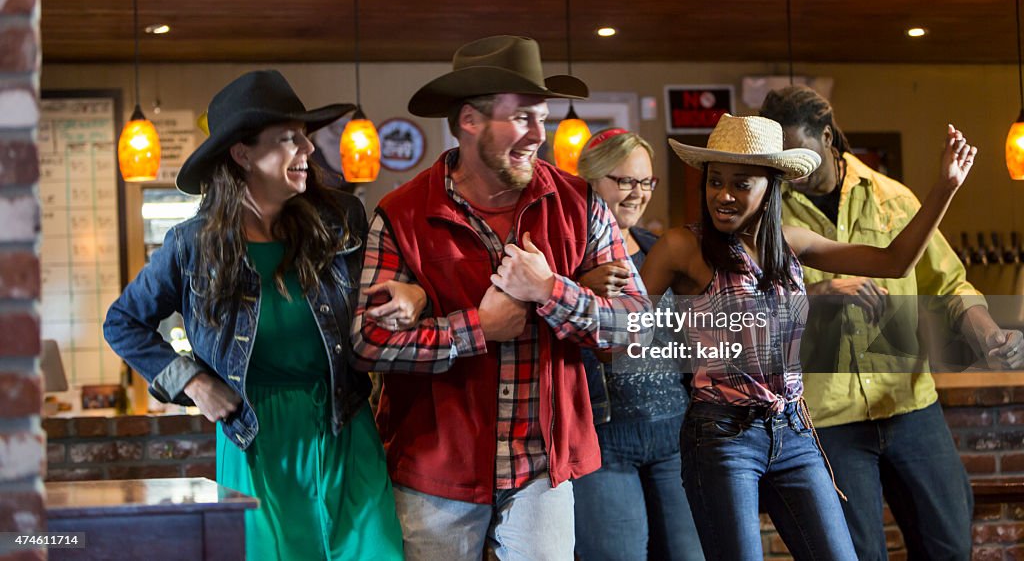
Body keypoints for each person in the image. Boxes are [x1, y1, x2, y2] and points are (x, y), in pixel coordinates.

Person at [350, 35, 649, 561]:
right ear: (470, 120)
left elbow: (639, 328)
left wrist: (552, 291)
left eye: (543, 118)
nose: (540, 135)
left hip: (543, 468)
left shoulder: (579, 204)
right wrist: (477, 329)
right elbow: (368, 344)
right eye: (522, 118)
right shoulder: (402, 213)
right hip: (433, 471)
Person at [104, 70, 420, 560]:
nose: (309, 151)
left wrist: (412, 297)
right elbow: (122, 322)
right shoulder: (193, 246)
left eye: (305, 138)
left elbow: (388, 294)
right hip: (254, 437)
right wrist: (192, 382)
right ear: (242, 153)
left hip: (343, 424)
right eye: (288, 139)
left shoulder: (341, 224)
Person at [640, 113, 977, 561]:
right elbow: (625, 333)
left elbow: (894, 261)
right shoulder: (682, 247)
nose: (723, 194)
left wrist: (946, 187)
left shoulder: (790, 242)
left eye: (741, 183)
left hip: (794, 430)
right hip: (722, 435)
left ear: (772, 185)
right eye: (714, 181)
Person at [760, 85, 1024, 561]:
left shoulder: (892, 198)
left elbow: (949, 285)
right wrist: (817, 295)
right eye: (780, 158)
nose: (790, 169)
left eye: (798, 153)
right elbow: (753, 311)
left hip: (910, 405)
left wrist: (989, 334)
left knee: (948, 545)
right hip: (827, 419)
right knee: (854, 554)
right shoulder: (768, 214)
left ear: (826, 136)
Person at [572, 128, 703, 561]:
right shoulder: (565, 260)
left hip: (674, 433)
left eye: (646, 182)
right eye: (624, 180)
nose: (637, 193)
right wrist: (577, 287)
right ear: (589, 181)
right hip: (603, 439)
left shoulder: (659, 249)